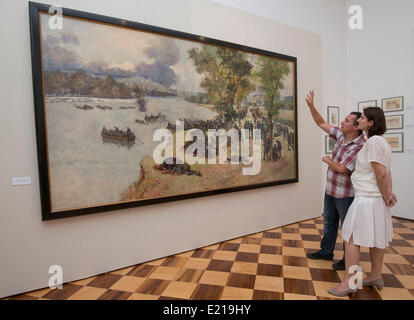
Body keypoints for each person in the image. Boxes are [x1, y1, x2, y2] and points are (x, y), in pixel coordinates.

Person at [328, 107, 397, 297]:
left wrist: (386, 194)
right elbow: (386, 171)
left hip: (366, 199)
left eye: (364, 118)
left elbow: (381, 173)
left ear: (371, 123)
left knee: (351, 239)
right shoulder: (380, 142)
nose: (360, 120)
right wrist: (388, 193)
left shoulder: (373, 142)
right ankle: (375, 275)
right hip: (374, 199)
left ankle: (350, 283)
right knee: (376, 238)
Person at [305, 91, 366, 270]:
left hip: (346, 194)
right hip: (331, 190)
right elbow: (321, 122)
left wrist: (327, 160)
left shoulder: (359, 146)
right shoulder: (340, 134)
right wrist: (311, 106)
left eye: (346, 121)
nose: (342, 122)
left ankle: (349, 260)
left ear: (355, 127)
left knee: (348, 229)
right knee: (329, 222)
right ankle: (326, 252)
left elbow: (342, 169)